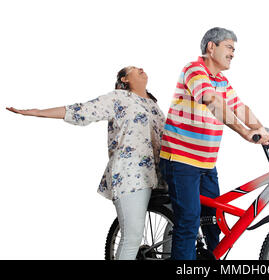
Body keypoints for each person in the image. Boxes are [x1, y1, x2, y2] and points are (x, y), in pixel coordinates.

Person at [6, 66, 166, 260]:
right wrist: (38, 112)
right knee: (132, 238)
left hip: (159, 176)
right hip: (130, 175)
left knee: (181, 224)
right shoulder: (118, 98)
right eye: (133, 68)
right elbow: (82, 111)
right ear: (124, 79)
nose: (140, 68)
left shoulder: (154, 105)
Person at [159, 27, 269, 260]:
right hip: (181, 161)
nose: (233, 53)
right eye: (229, 47)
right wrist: (244, 132)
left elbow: (239, 108)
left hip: (206, 164)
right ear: (212, 47)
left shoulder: (221, 80)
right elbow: (212, 101)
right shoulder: (194, 70)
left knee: (212, 222)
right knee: (189, 221)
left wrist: (264, 130)